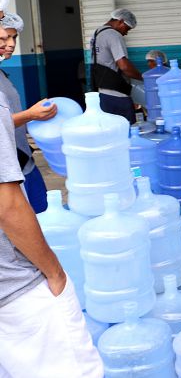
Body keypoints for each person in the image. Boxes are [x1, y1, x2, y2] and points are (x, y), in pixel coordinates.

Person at [0, 24, 102, 378]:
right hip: (16, 286)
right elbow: (7, 206)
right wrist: (55, 272)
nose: (7, 40)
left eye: (11, 35)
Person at [0, 13, 57, 214]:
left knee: (44, 216)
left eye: (14, 37)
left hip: (25, 161)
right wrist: (30, 115)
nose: (11, 44)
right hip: (9, 169)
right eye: (5, 37)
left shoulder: (2, 74)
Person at [90, 8, 142, 123]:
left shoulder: (97, 33)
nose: (126, 33)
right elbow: (124, 66)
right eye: (127, 28)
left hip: (102, 92)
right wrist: (142, 77)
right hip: (117, 94)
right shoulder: (113, 35)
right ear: (121, 21)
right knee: (127, 128)